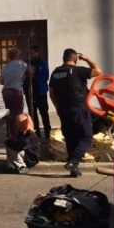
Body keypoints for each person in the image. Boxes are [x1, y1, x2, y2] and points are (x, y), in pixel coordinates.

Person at [49, 48, 101, 177]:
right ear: (75, 59)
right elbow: (98, 71)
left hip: (64, 110)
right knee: (86, 137)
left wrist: (57, 108)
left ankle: (74, 169)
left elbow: (51, 93)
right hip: (79, 109)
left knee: (71, 139)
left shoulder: (56, 72)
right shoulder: (78, 71)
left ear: (64, 58)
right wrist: (87, 59)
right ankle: (73, 162)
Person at [0, 48, 27, 137]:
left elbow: (1, 82)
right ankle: (16, 135)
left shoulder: (5, 67)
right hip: (16, 91)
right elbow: (30, 71)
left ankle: (10, 134)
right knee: (18, 114)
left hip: (6, 91)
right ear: (17, 55)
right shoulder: (21, 64)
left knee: (9, 113)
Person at [26, 45, 52, 138]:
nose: (31, 55)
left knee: (44, 112)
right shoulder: (27, 63)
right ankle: (36, 134)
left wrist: (34, 74)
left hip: (41, 92)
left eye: (32, 53)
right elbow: (24, 78)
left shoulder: (42, 63)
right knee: (33, 114)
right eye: (30, 53)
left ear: (37, 53)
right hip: (30, 93)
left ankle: (47, 132)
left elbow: (45, 77)